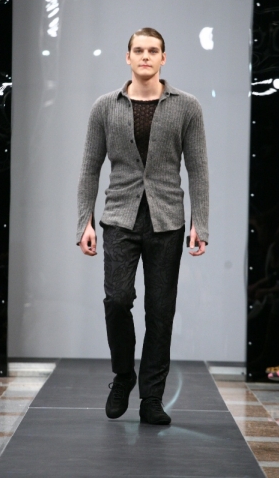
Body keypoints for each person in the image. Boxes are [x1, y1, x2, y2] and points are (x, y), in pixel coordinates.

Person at [76, 27, 209, 425]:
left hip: (167, 220)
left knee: (160, 311)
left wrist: (200, 222)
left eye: (153, 50)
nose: (146, 56)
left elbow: (198, 169)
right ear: (128, 57)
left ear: (163, 58)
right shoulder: (105, 107)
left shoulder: (187, 107)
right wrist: (84, 221)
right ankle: (123, 376)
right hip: (119, 216)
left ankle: (151, 398)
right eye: (139, 50)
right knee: (117, 300)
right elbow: (89, 168)